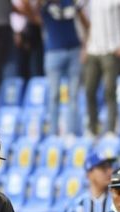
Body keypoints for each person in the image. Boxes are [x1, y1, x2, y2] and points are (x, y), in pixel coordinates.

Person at [83, 0, 120, 136]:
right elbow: (90, 22)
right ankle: (92, 128)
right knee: (89, 90)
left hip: (112, 49)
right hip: (93, 49)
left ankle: (111, 130)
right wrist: (86, 44)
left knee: (109, 90)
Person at [32, 0, 87, 136]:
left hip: (74, 51)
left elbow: (86, 23)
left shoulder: (71, 3)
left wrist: (85, 46)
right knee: (54, 95)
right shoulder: (45, 6)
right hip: (53, 53)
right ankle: (53, 133)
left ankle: (71, 132)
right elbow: (30, 8)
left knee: (73, 95)